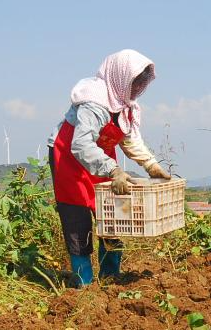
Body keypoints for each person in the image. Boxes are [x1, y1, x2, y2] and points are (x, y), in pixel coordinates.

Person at [51, 49, 171, 287]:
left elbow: (129, 139)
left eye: (140, 82)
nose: (137, 87)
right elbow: (82, 144)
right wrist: (114, 170)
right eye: (134, 81)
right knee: (78, 223)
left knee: (114, 218)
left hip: (102, 161)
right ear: (121, 77)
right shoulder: (94, 101)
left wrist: (150, 164)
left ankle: (110, 278)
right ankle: (83, 283)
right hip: (70, 161)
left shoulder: (124, 105)